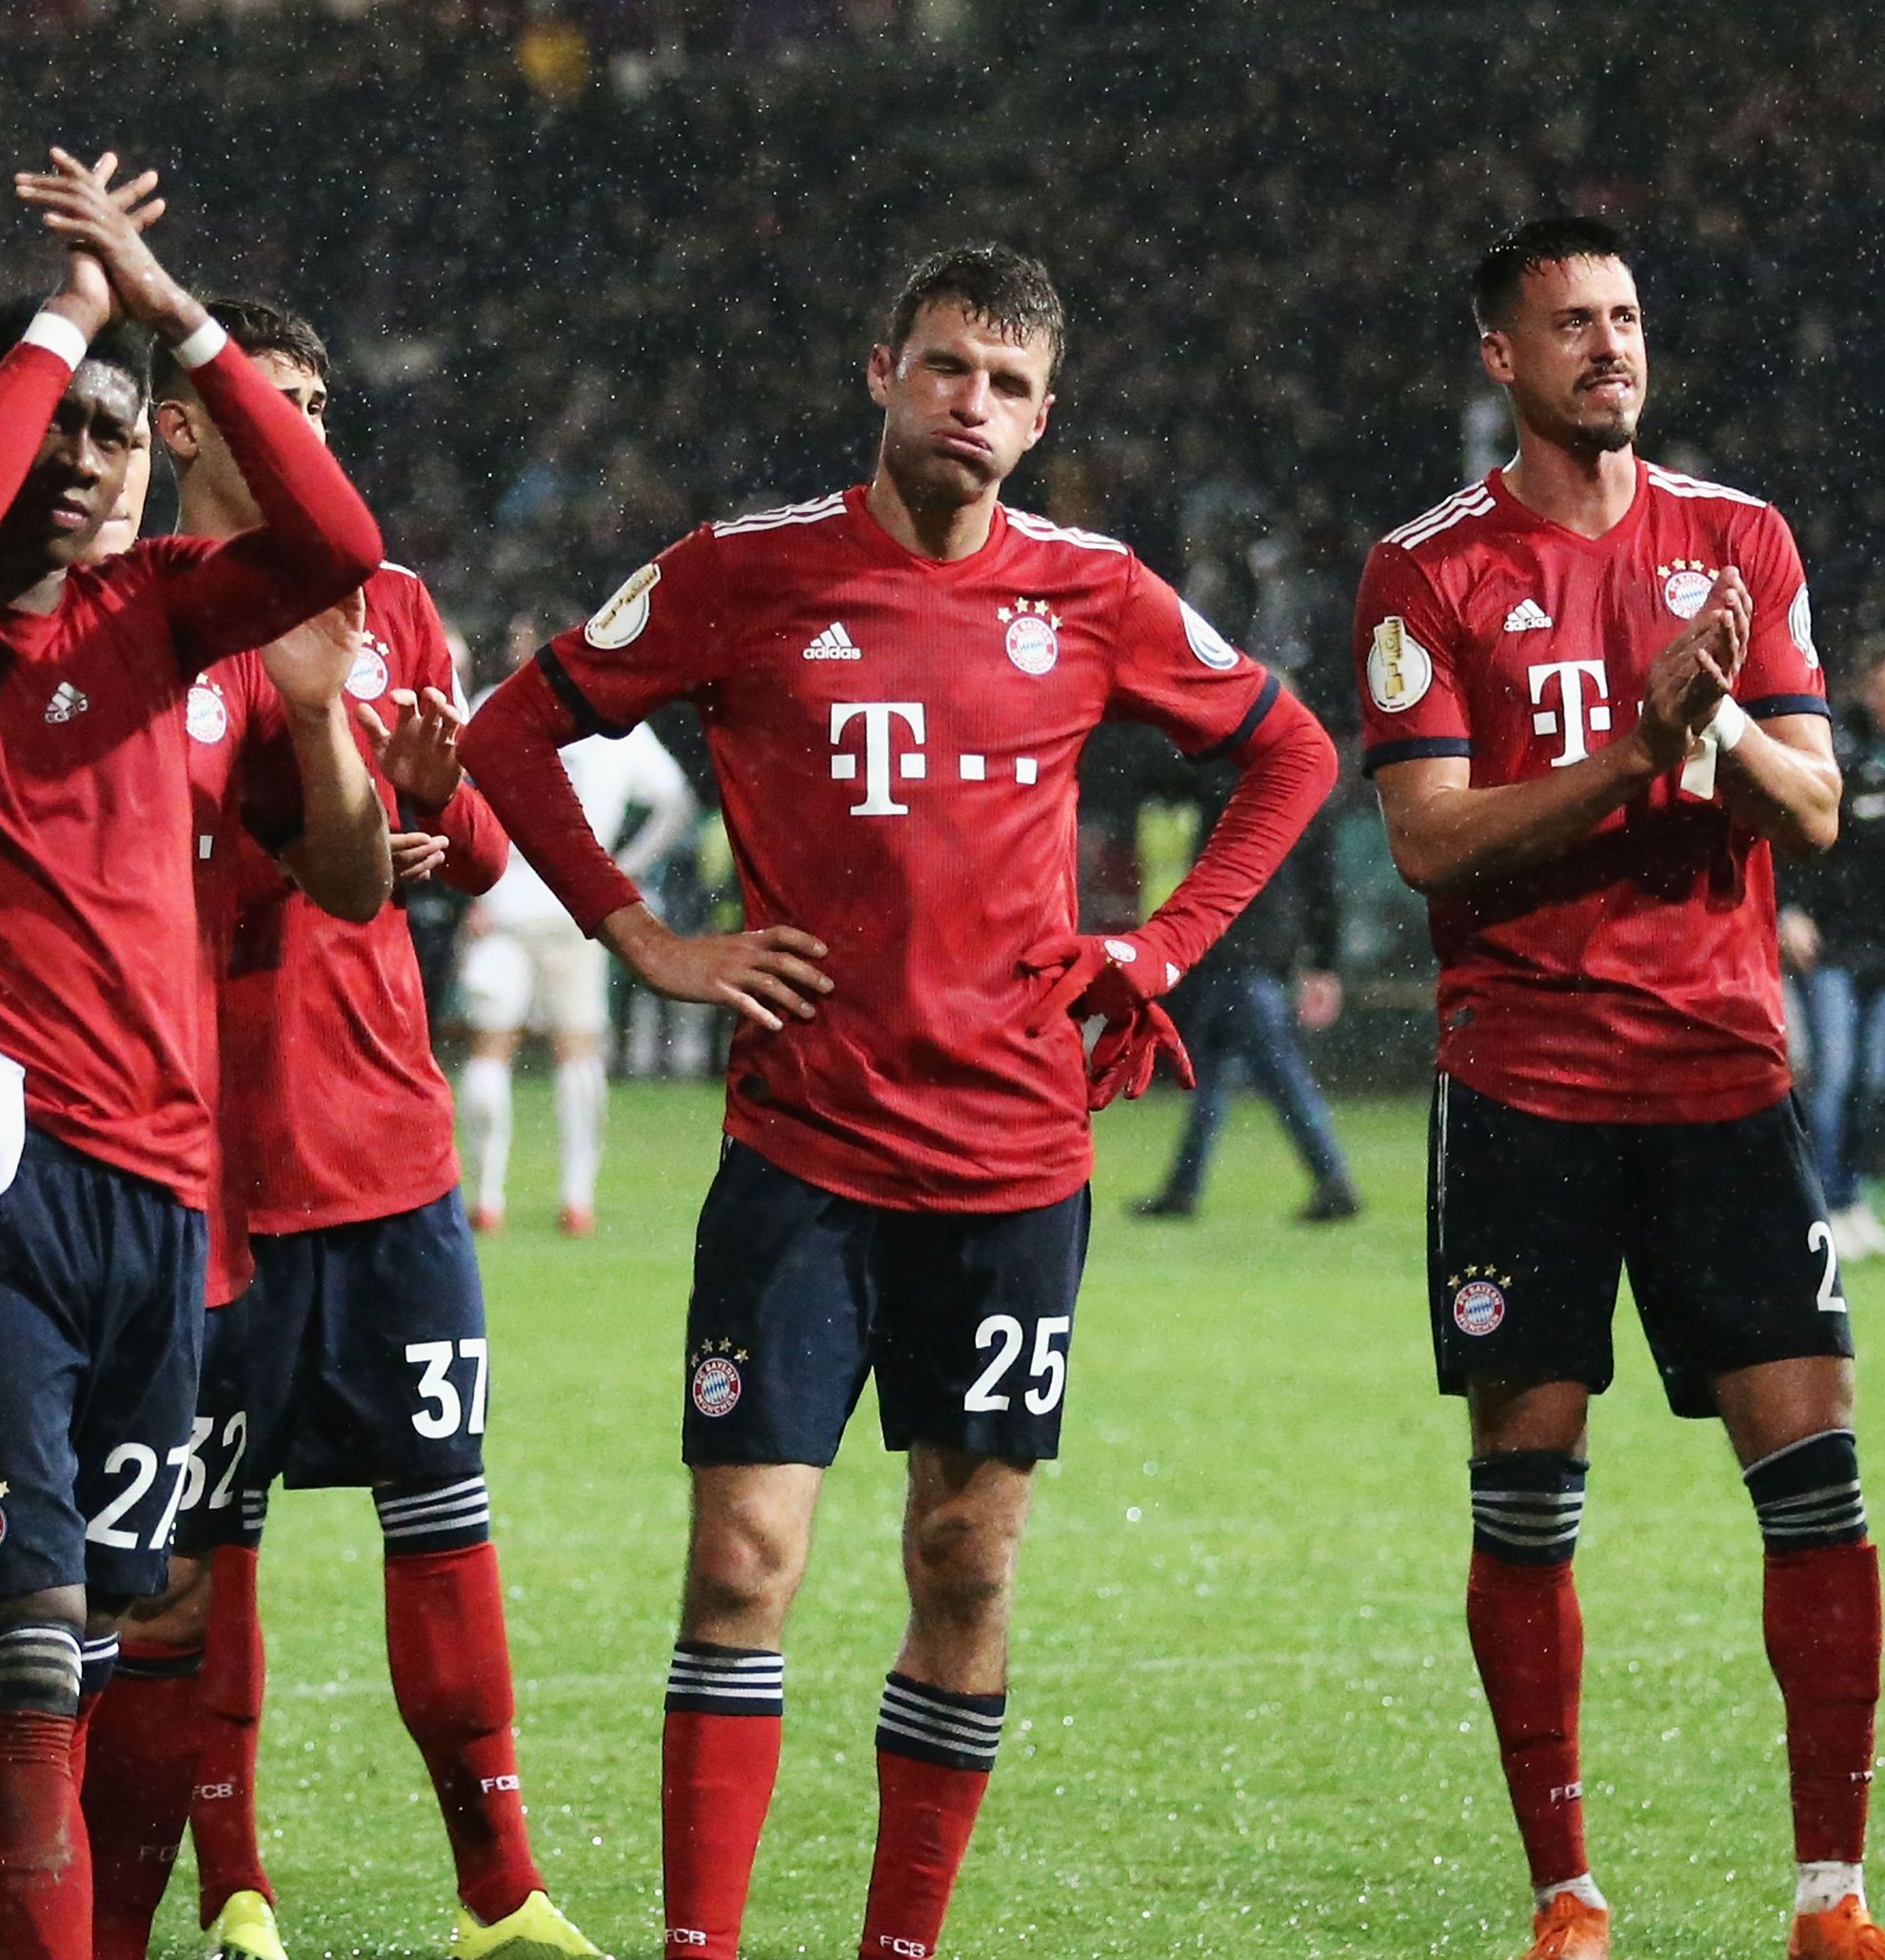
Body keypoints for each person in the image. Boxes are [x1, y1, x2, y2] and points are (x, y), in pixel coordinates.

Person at [461, 243, 1332, 1960]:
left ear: (1044, 412)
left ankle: (897, 1946)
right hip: (802, 1159)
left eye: (1007, 384)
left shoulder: (1094, 590)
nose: (973, 405)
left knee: (964, 1558)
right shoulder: (744, 570)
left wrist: (1159, 948)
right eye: (945, 367)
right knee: (740, 1564)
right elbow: (507, 733)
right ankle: (699, 1946)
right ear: (880, 371)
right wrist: (642, 936)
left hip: (1013, 1162)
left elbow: (1290, 750)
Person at [0, 151, 384, 1960]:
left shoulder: (165, 612)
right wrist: (67, 315)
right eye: (50, 427)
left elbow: (338, 545)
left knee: (76, 1627)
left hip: (161, 1201)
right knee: (21, 1626)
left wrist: (179, 324)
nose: (83, 460)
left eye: (117, 436)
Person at [1359, 215, 1885, 1960]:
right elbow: (1428, 842)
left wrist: (1718, 724)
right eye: (1571, 323)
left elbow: (1811, 812)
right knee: (1525, 1476)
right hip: (1521, 1074)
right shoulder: (1423, 568)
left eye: (1627, 315)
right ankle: (1565, 1891)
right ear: (1499, 359)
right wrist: (1631, 749)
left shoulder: (1737, 540)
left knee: (1812, 1468)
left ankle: (1832, 1895)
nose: (1610, 344)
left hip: (1720, 1068)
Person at [74, 296, 598, 1960]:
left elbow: (491, 857)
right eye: (261, 402)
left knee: (440, 1508)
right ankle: (234, 1885)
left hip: (385, 1145)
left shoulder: (395, 607)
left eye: (314, 402)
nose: (299, 429)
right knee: (198, 1548)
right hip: (201, 1157)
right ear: (179, 424)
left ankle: (500, 1889)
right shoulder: (124, 624)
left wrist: (440, 795)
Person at [456, 676, 694, 1237]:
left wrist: (474, 874)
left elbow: (459, 789)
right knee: (578, 1051)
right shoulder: (614, 717)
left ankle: (486, 1199)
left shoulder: (499, 702)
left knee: (490, 1048)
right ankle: (576, 1198)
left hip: (503, 905)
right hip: (577, 910)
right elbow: (677, 801)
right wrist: (620, 868)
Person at [1129, 752, 1364, 1222]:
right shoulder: (1303, 791)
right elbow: (1322, 889)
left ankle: (1333, 1181)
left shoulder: (1231, 784)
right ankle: (1184, 1189)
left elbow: (1164, 777)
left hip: (1239, 950)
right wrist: (1322, 961)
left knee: (1271, 1073)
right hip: (1256, 952)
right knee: (1225, 1074)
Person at [1782, 636, 1885, 1260]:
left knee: (1874, 1081)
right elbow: (1793, 822)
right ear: (1867, 688)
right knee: (1834, 1074)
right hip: (1834, 939)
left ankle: (1851, 1198)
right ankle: (1821, 1206)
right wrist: (1790, 906)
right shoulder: (1838, 745)